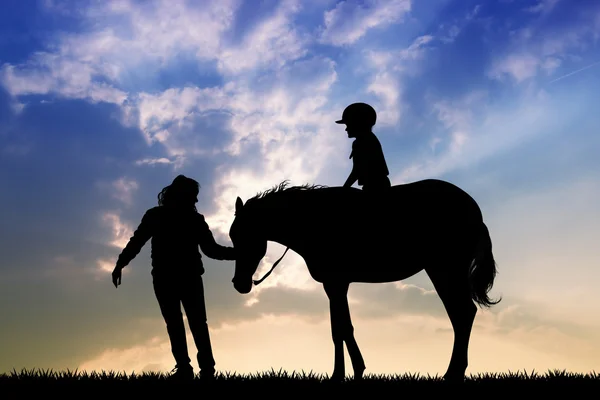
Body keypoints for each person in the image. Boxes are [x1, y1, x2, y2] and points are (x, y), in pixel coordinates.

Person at [111, 175, 236, 380]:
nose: (196, 201)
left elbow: (137, 242)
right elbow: (212, 250)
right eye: (193, 196)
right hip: (179, 277)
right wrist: (120, 263)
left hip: (170, 277)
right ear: (184, 196)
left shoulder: (165, 216)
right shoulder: (184, 219)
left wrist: (120, 264)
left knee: (180, 323)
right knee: (192, 323)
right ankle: (199, 370)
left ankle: (193, 369)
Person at [337, 102, 391, 194]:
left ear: (358, 123)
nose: (346, 129)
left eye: (348, 125)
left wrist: (344, 189)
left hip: (375, 187)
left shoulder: (361, 142)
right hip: (376, 184)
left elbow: (357, 170)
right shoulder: (369, 139)